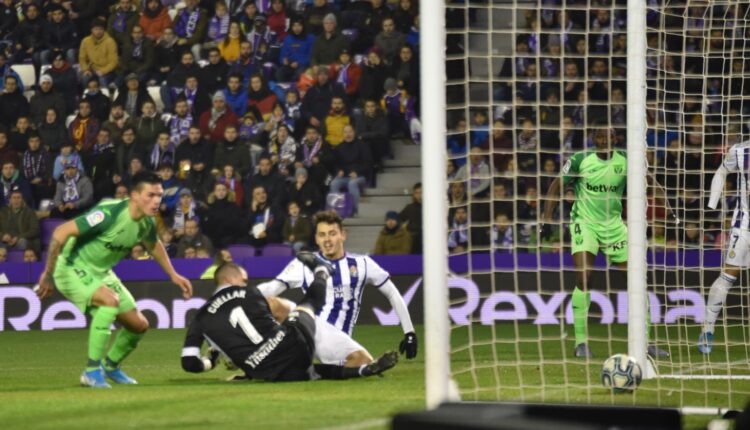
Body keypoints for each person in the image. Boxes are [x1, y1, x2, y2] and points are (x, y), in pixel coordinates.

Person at [36, 171, 193, 388]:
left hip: (101, 272)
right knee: (109, 302)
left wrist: (173, 275)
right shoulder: (108, 213)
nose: (156, 200)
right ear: (135, 196)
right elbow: (60, 232)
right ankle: (91, 371)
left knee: (139, 325)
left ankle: (110, 367)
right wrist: (48, 274)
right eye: (150, 195)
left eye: (159, 195)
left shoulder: (147, 222)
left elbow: (153, 245)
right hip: (72, 267)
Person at [541, 126, 674, 358]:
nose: (604, 140)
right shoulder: (580, 160)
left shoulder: (626, 160)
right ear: (593, 139)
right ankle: (580, 343)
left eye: (608, 136)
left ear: (615, 138)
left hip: (614, 225)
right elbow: (555, 186)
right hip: (585, 222)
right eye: (599, 136)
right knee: (585, 277)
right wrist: (546, 220)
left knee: (637, 281)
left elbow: (650, 182)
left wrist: (671, 211)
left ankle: (645, 343)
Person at [182, 260, 397, 381]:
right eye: (243, 279)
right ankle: (322, 271)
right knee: (307, 305)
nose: (246, 283)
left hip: (264, 371)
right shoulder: (251, 293)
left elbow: (189, 363)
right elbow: (274, 311)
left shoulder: (199, 318)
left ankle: (362, 370)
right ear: (230, 279)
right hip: (291, 344)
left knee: (312, 372)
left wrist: (210, 362)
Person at [258, 211, 417, 369]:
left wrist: (409, 333)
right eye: (322, 235)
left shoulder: (362, 264)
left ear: (343, 235)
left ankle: (307, 368)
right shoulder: (305, 263)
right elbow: (273, 287)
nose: (327, 239)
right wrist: (241, 296)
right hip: (308, 328)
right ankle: (251, 354)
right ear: (316, 239)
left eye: (332, 233)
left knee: (363, 362)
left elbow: (392, 293)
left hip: (336, 341)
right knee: (271, 304)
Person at [698, 141, 750, 354]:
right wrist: (712, 203)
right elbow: (721, 171)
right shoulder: (741, 151)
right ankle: (707, 329)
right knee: (729, 274)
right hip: (745, 223)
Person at [0, 187, 40, 253]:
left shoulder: (30, 213)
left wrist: (18, 237)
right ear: (10, 200)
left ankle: (21, 262)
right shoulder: (3, 212)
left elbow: (35, 230)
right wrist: (2, 236)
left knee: (23, 242)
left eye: (18, 198)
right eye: (14, 198)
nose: (16, 200)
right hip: (5, 241)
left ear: (22, 200)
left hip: (21, 240)